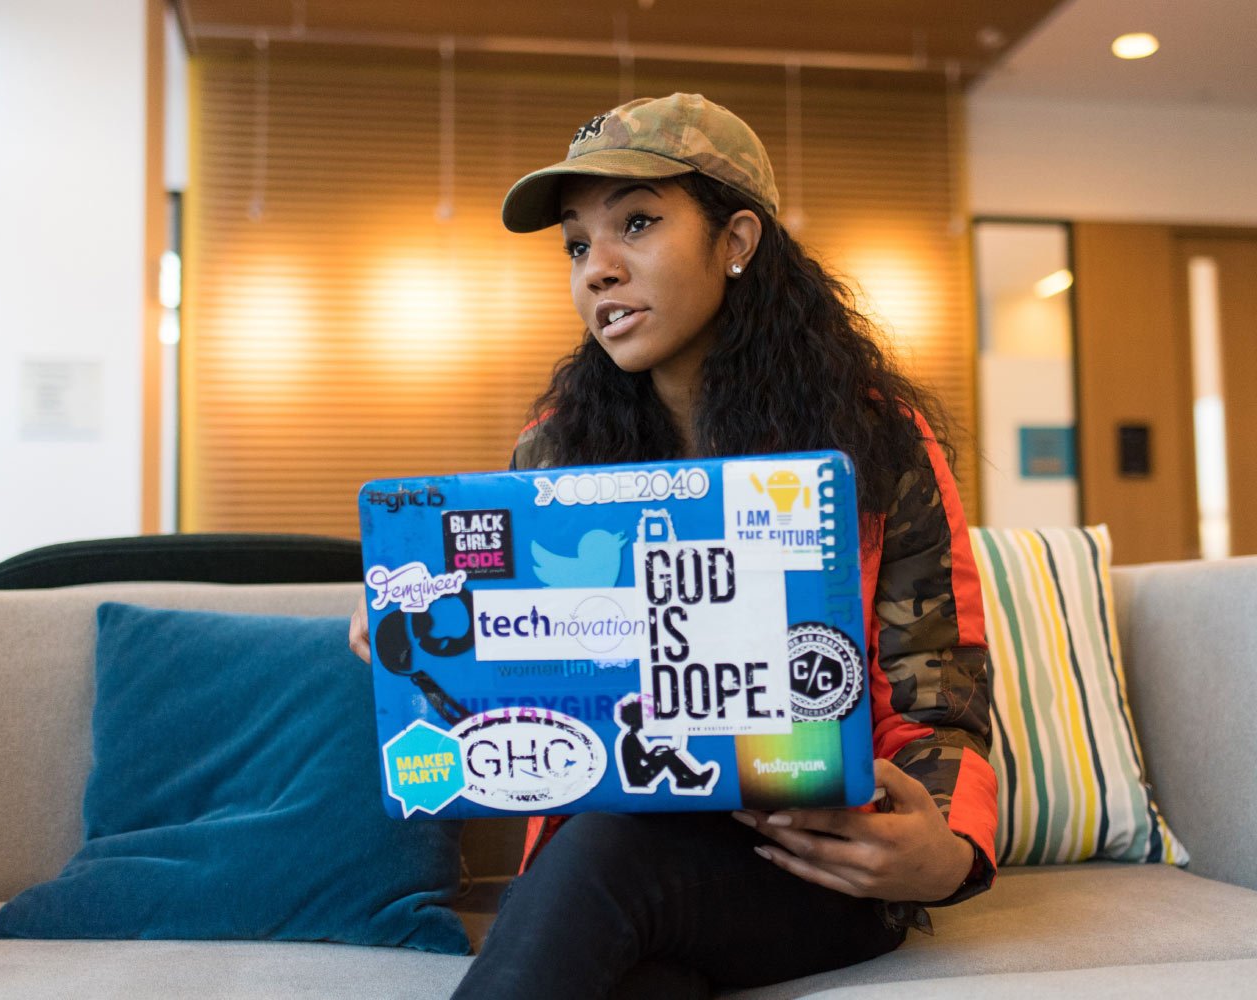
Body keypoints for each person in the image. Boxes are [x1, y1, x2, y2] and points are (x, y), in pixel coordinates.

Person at [348, 92, 997, 999]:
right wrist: (420, 633)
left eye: (638, 223)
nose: (597, 270)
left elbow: (938, 692)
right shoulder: (554, 450)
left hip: (812, 857)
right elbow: (518, 680)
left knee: (607, 865)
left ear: (737, 240)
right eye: (577, 246)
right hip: (612, 851)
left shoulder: (873, 441)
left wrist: (946, 855)